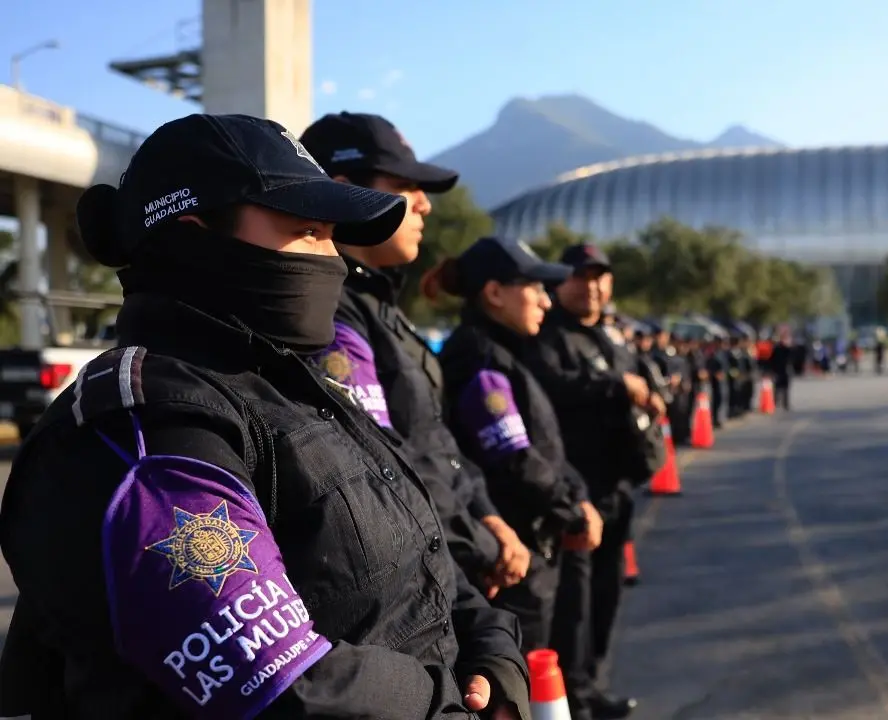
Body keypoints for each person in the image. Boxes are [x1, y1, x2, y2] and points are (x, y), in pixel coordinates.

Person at [0, 114, 527, 719]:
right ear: (194, 237)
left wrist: (491, 647)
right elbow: (280, 685)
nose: (333, 258)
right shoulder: (145, 424)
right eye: (307, 230)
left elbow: (417, 544)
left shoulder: (298, 386)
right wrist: (447, 702)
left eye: (333, 234)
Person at [297, 112, 531, 598]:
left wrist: (488, 515)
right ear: (344, 190)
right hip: (423, 576)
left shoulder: (381, 308)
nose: (424, 204)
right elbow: (383, 466)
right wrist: (478, 547)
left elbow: (435, 441)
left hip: (456, 557)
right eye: (405, 185)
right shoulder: (331, 315)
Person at [430, 237, 604, 660]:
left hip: (534, 543)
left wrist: (575, 494)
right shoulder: (479, 356)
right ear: (494, 293)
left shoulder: (505, 350)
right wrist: (574, 507)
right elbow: (512, 457)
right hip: (513, 556)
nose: (546, 302)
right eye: (535, 288)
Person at [526, 244, 657, 720]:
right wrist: (617, 386)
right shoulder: (548, 335)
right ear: (560, 283)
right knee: (572, 604)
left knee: (607, 593)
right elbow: (554, 388)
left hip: (619, 484)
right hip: (577, 490)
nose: (593, 286)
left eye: (601, 277)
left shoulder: (611, 336)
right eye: (582, 277)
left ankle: (591, 682)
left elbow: (640, 375)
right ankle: (576, 698)